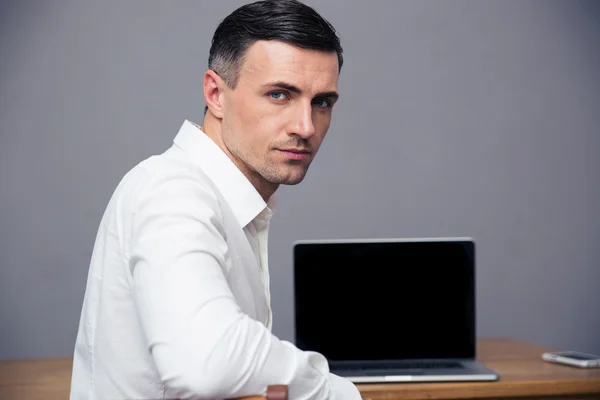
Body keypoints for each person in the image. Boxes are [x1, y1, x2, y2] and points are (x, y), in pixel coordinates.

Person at [70, 0, 364, 399]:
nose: (305, 126)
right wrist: (336, 393)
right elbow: (209, 362)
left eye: (322, 102)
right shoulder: (171, 191)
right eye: (279, 94)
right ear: (216, 94)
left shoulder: (227, 200)